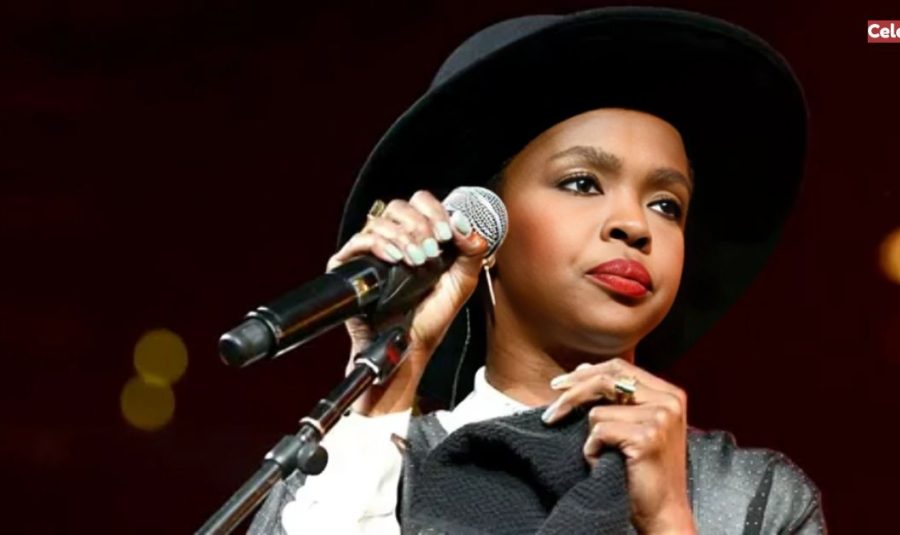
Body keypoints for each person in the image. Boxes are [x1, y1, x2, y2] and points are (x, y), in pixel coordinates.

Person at [249, 6, 824, 534]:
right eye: (581, 184)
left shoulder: (750, 496)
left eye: (666, 205)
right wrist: (385, 386)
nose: (634, 224)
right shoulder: (357, 473)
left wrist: (670, 519)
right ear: (484, 228)